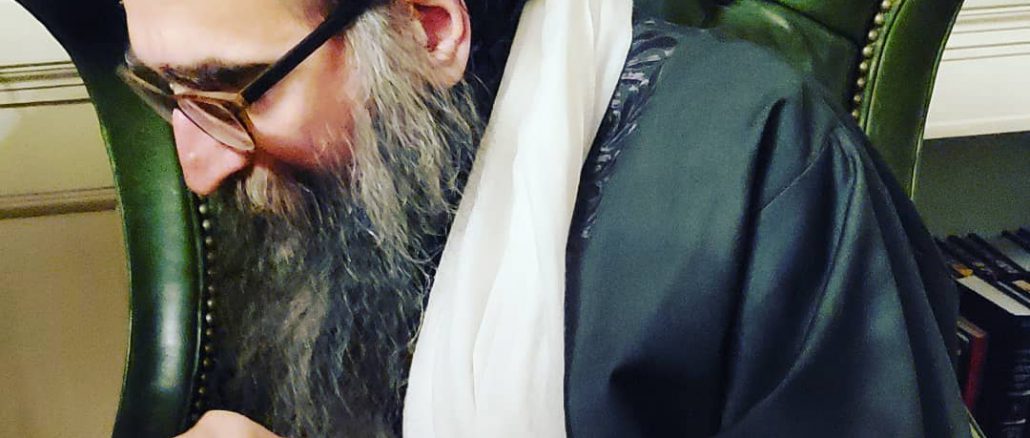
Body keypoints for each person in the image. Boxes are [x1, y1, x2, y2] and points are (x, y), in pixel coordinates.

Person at [118, 0, 970, 436]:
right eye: (165, 94)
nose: (199, 168)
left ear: (429, 26)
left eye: (234, 90)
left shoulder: (767, 169)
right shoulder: (341, 184)